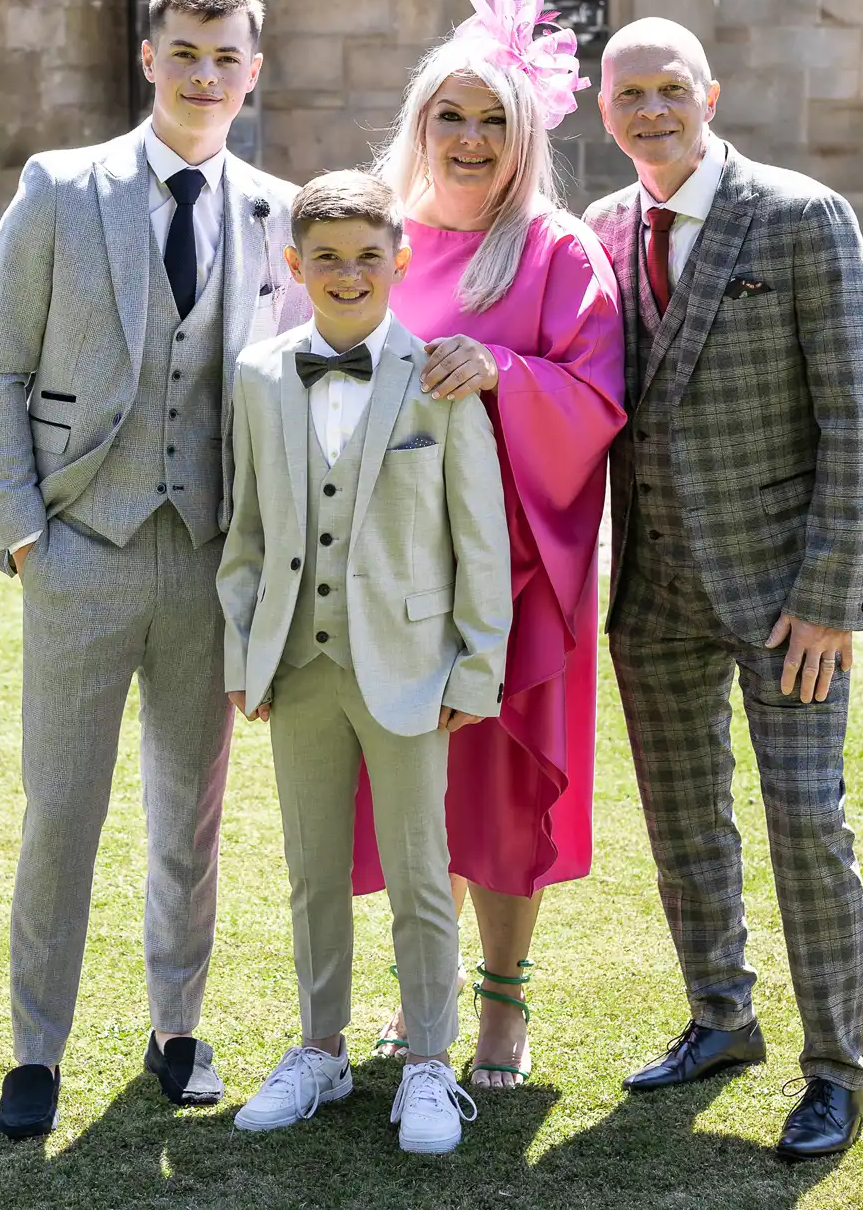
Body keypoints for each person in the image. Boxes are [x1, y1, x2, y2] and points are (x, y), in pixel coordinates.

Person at [0, 0, 306, 1141]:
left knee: (190, 817)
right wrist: (25, 532)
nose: (205, 74)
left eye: (227, 57)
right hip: (78, 549)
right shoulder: (61, 188)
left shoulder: (278, 210)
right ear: (149, 57)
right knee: (59, 811)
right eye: (185, 52)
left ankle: (176, 1027)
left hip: (207, 560)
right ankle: (35, 1051)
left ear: (252, 72)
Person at [583, 17, 863, 1161]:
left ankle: (833, 1069)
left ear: (709, 92)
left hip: (784, 594)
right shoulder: (604, 231)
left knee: (805, 824)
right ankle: (720, 1017)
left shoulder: (804, 217)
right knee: (681, 822)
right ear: (601, 109)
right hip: (652, 586)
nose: (651, 110)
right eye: (630, 94)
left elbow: (856, 417)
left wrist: (831, 595)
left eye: (670, 88)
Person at [352, 0, 626, 1090]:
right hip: (392, 565)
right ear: (418, 125)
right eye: (447, 117)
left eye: (491, 121)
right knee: (415, 778)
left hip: (517, 569)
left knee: (501, 786)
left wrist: (503, 372)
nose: (468, 141)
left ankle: (503, 1008)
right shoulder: (381, 241)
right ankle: (428, 984)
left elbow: (597, 399)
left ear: (524, 137)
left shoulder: (556, 252)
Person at [217, 171, 514, 1154]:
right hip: (296, 664)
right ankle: (319, 1049)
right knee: (310, 868)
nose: (347, 274)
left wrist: (475, 671)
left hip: (411, 670)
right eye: (327, 258)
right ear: (295, 268)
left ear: (400, 262)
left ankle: (427, 1059)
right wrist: (242, 654)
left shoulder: (439, 377)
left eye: (366, 256)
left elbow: (481, 539)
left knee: (421, 869)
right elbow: (247, 536)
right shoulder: (260, 377)